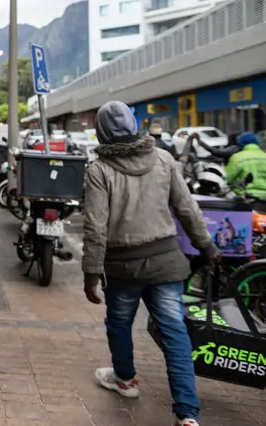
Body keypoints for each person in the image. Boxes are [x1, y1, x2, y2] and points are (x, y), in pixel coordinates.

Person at [82, 101, 222, 426]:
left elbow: (95, 226)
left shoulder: (99, 170)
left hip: (123, 268)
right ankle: (188, 415)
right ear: (134, 125)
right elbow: (187, 208)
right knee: (175, 333)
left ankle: (126, 380)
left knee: (119, 324)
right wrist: (207, 245)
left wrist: (91, 273)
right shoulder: (163, 158)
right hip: (166, 264)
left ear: (101, 133)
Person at [224, 131, 266, 202]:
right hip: (265, 200)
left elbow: (226, 179)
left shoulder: (237, 157)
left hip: (242, 200)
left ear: (240, 144)